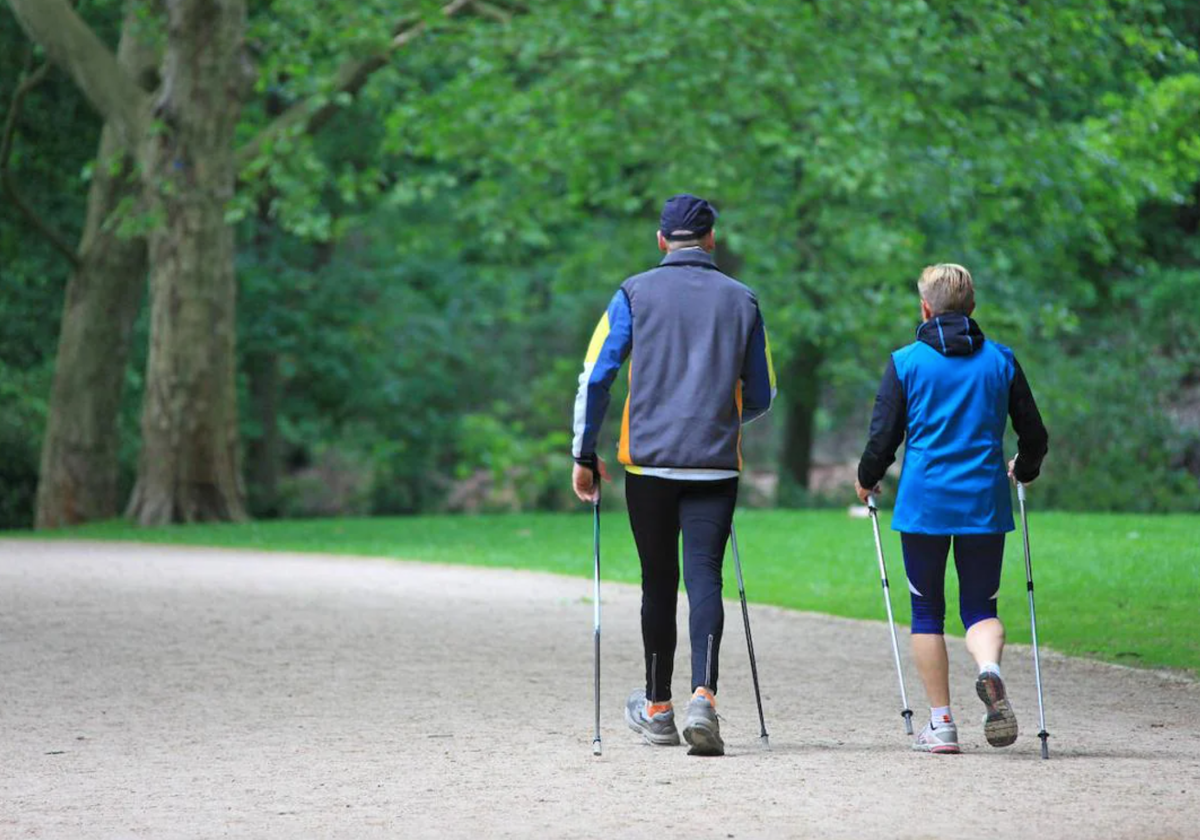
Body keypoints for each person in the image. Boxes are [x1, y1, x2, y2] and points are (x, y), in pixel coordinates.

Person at [570, 194, 775, 756]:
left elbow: (596, 377)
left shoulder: (632, 293)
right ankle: (702, 697)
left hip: (649, 464)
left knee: (657, 581)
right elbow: (762, 393)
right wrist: (722, 416)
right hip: (713, 464)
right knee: (704, 576)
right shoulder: (744, 299)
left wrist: (584, 455)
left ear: (661, 240)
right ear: (712, 239)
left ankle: (658, 709)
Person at [855, 263, 1049, 755]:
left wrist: (867, 477)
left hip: (925, 504)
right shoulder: (1001, 361)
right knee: (981, 607)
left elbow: (884, 436)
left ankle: (941, 725)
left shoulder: (906, 362)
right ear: (973, 308)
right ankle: (989, 671)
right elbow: (1034, 435)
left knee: (926, 611)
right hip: (983, 501)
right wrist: (1024, 468)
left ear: (925, 308)